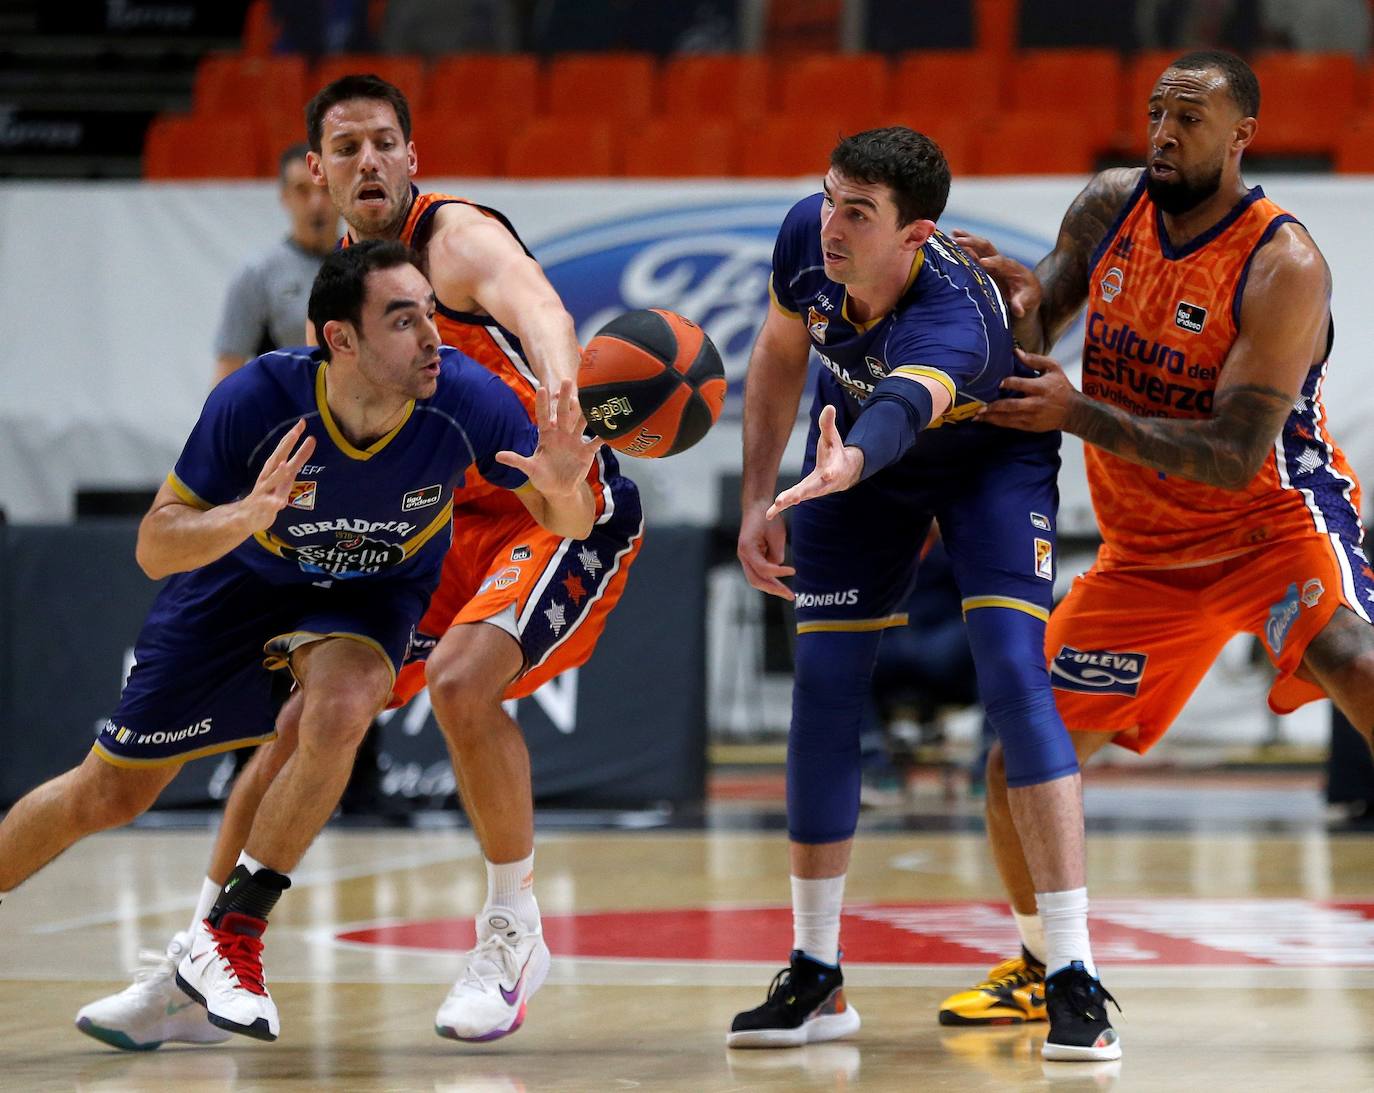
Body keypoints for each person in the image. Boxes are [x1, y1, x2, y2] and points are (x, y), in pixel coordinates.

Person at [75, 73, 643, 1050]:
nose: (369, 161)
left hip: (550, 503)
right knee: (299, 722)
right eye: (348, 148)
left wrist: (561, 407)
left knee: (466, 681)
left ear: (412, 159)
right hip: (437, 521)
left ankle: (512, 931)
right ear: (317, 174)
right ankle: (200, 956)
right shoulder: (344, 289)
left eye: (386, 142)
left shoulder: (452, 236)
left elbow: (540, 305)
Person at [3, 240, 603, 1043]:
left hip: (371, 592)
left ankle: (231, 936)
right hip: (244, 582)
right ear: (341, 340)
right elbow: (155, 544)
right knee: (109, 792)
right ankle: (197, 964)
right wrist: (241, 518)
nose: (431, 335)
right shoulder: (258, 399)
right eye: (403, 319)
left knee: (343, 704)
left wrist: (566, 494)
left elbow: (566, 519)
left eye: (430, 311)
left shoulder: (462, 396)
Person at [937, 49, 1374, 1029]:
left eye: (1189, 119)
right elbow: (1037, 322)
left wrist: (1077, 413)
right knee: (1020, 758)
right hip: (1145, 555)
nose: (1165, 134)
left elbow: (1228, 453)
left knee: (1356, 660)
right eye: (1156, 115)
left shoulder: (1283, 261)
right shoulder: (1109, 206)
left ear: (1242, 136)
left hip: (1270, 520)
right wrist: (998, 305)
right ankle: (1041, 962)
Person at [729, 126, 1119, 1062]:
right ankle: (815, 972)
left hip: (984, 461)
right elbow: (782, 354)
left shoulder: (956, 318)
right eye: (829, 198)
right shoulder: (806, 238)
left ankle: (1072, 973)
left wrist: (847, 461)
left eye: (858, 213)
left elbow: (905, 406)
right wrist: (757, 494)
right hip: (855, 455)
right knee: (822, 686)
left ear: (916, 234)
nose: (832, 224)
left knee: (1016, 682)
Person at [213, 143, 338, 386]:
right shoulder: (258, 274)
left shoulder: (369, 266)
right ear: (284, 196)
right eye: (302, 190)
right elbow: (227, 370)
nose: (316, 203)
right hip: (288, 418)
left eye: (325, 189)